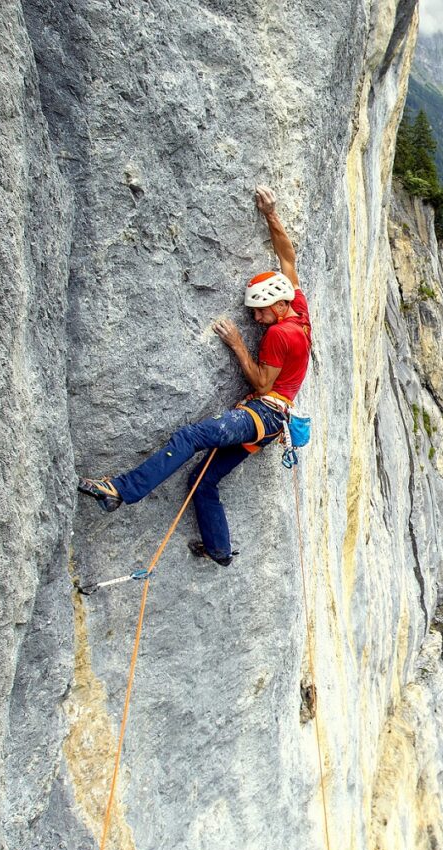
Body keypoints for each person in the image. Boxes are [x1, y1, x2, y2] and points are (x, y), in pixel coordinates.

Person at [78, 187, 311, 567]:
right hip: (272, 422)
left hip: (264, 414)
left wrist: (237, 344)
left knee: (191, 436)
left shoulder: (280, 334)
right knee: (201, 483)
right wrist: (270, 213)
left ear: (279, 304)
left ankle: (121, 490)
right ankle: (219, 549)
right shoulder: (298, 312)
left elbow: (262, 384)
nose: (256, 318)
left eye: (260, 312)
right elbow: (287, 257)